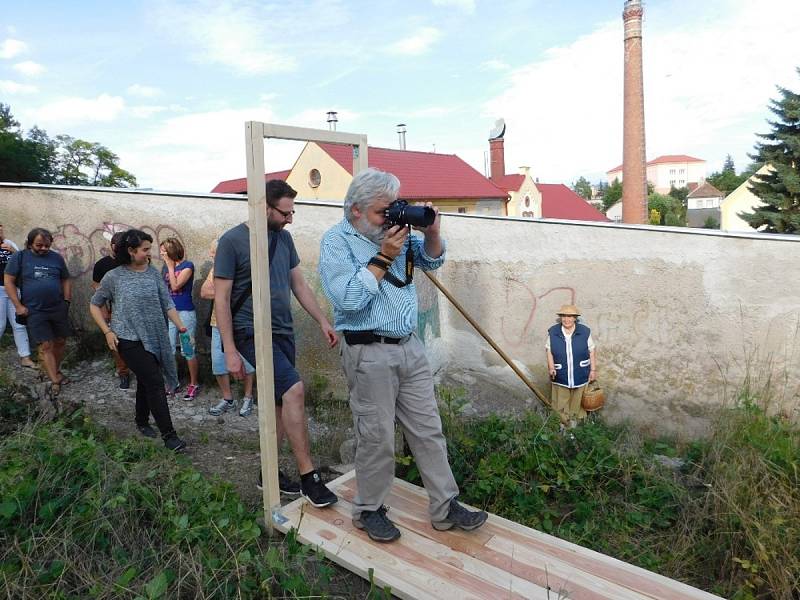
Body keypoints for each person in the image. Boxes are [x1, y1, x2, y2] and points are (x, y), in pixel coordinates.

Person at [318, 168, 488, 543]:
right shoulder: (336, 242)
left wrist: (432, 232)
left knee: (429, 430)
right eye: (383, 211)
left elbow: (431, 261)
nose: (391, 217)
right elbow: (347, 298)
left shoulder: (391, 232)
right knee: (376, 437)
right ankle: (368, 511)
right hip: (368, 351)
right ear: (355, 211)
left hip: (409, 346)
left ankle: (446, 507)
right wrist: (383, 257)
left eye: (394, 207)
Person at [215, 179, 338, 505]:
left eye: (291, 212)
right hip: (250, 332)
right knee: (294, 389)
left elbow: (299, 285)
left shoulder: (284, 240)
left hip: (283, 331)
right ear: (263, 207)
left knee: (280, 402)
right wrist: (229, 349)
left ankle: (266, 472)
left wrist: (322, 319)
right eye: (285, 213)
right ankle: (308, 477)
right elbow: (222, 298)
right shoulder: (232, 241)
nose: (290, 219)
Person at [89, 229, 187, 452]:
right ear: (131, 251)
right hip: (128, 338)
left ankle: (141, 421)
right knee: (154, 382)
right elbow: (94, 304)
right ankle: (170, 436)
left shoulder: (152, 273)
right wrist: (107, 331)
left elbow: (167, 303)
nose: (149, 253)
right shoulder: (114, 277)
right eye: (145, 249)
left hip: (154, 336)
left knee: (145, 380)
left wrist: (181, 326)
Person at [4, 228, 72, 395]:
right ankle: (55, 380)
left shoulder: (56, 258)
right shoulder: (19, 257)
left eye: (47, 246)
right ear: (29, 243)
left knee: (61, 341)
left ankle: (52, 370)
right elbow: (9, 281)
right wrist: (18, 306)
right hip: (34, 309)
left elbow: (65, 279)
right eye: (39, 245)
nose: (43, 248)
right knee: (46, 344)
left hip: (57, 307)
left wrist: (67, 300)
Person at [199, 238, 256, 419]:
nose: (211, 255)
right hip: (218, 323)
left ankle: (248, 397)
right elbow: (204, 292)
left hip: (241, 323)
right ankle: (227, 398)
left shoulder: (244, 270)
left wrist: (224, 291)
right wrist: (227, 291)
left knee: (247, 362)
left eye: (214, 252)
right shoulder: (215, 270)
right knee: (218, 363)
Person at [159, 237, 200, 400]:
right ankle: (173, 382)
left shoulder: (187, 266)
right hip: (170, 313)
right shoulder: (165, 267)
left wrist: (170, 266)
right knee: (168, 349)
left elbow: (176, 286)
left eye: (163, 251)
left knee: (187, 350)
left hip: (185, 313)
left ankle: (194, 384)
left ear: (171, 250)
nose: (161, 254)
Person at [545, 304, 597, 426]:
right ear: (560, 317)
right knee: (561, 404)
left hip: (580, 374)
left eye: (570, 316)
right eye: (564, 316)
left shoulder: (584, 331)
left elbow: (592, 350)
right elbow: (548, 351)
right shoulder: (553, 332)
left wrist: (593, 370)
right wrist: (551, 367)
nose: (566, 319)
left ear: (575, 318)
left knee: (577, 403)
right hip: (561, 375)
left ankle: (574, 428)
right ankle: (562, 426)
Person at [92, 231, 130, 389]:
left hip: (134, 308)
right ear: (113, 246)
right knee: (117, 342)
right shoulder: (102, 265)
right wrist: (104, 308)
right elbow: (96, 286)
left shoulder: (133, 262)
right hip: (114, 308)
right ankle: (123, 372)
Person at [0, 223, 35, 369]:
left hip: (14, 289)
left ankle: (25, 357)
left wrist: (13, 251)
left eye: (1, 230)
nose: (1, 233)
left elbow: (23, 262)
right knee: (0, 325)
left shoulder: (9, 244)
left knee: (19, 324)